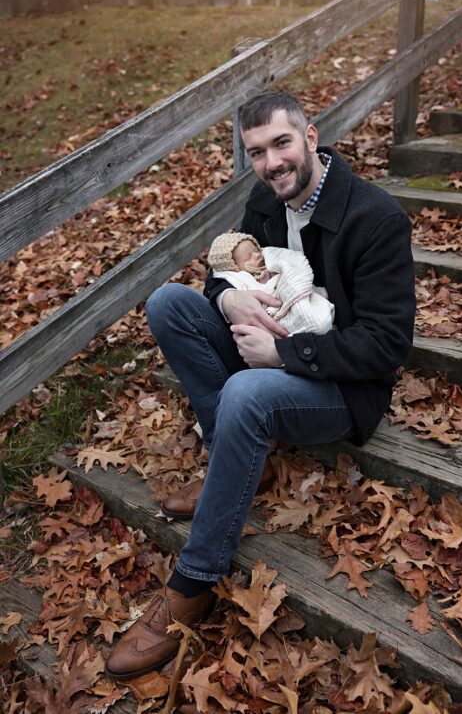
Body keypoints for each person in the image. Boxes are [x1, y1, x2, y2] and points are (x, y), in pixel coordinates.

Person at [105, 91, 415, 679]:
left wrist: (283, 354)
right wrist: (228, 295)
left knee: (246, 394)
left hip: (344, 390)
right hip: (271, 350)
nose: (272, 163)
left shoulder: (375, 218)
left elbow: (386, 343)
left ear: (311, 137)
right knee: (170, 303)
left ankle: (191, 584)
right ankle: (236, 457)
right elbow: (223, 272)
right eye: (257, 152)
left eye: (282, 143)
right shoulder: (264, 201)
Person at [206, 231, 335, 336]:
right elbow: (217, 276)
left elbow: (290, 266)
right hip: (269, 320)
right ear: (234, 269)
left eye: (256, 250)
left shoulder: (270, 263)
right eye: (248, 258)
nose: (257, 256)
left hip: (295, 297)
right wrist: (227, 297)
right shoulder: (242, 279)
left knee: (316, 320)